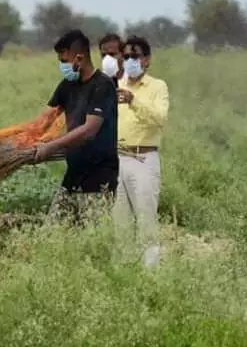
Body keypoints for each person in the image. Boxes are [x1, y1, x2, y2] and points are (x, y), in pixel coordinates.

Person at [34, 29, 119, 223]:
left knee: (94, 241)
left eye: (64, 61)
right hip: (72, 177)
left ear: (79, 57)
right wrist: (21, 139)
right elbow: (44, 121)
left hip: (98, 180)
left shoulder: (103, 86)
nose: (62, 66)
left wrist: (51, 146)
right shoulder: (66, 86)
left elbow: (89, 130)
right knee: (52, 235)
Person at [113, 36, 169, 267]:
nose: (130, 61)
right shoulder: (116, 84)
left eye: (134, 56)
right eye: (125, 57)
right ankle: (124, 276)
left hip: (143, 159)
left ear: (146, 60)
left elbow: (160, 120)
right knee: (119, 224)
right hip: (117, 159)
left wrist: (134, 101)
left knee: (146, 220)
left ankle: (151, 277)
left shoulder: (157, 87)